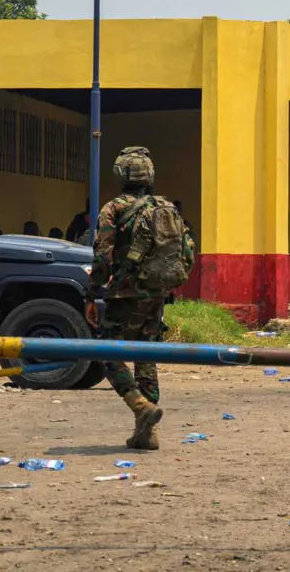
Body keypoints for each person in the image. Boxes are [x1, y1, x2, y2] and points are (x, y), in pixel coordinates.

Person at [86, 146, 195, 450]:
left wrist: (91, 294)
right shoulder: (166, 207)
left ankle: (139, 405)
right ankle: (147, 434)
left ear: (120, 174)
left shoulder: (113, 209)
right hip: (157, 293)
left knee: (107, 352)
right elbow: (187, 251)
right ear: (150, 175)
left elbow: (103, 257)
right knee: (146, 356)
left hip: (125, 293)